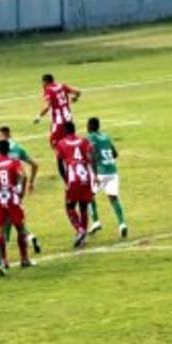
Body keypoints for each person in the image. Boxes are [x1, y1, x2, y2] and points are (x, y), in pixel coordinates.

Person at [0, 125, 42, 254]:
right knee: (13, 217)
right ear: (10, 134)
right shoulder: (18, 148)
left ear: (0, 136)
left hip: (2, 188)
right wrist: (30, 183)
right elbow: (34, 165)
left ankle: (23, 239)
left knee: (4, 220)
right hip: (16, 188)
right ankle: (24, 240)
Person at [0, 139, 33, 274]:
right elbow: (23, 175)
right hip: (12, 197)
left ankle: (4, 260)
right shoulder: (14, 162)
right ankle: (24, 259)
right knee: (20, 228)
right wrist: (20, 190)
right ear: (8, 150)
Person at [55, 120, 97, 248]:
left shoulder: (61, 143)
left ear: (64, 131)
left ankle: (80, 230)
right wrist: (95, 175)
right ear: (74, 130)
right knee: (83, 206)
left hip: (73, 178)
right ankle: (83, 237)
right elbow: (91, 157)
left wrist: (65, 180)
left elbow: (60, 165)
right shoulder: (84, 141)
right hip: (85, 176)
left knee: (70, 207)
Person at [86, 117, 128, 238]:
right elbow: (115, 154)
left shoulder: (91, 137)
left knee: (89, 196)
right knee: (114, 198)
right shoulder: (106, 136)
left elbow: (92, 156)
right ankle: (122, 224)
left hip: (101, 172)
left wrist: (94, 174)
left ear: (90, 126)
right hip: (113, 171)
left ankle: (95, 222)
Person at [33, 73, 81, 155]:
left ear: (46, 81)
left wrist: (39, 117)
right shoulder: (62, 86)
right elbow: (78, 92)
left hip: (58, 121)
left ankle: (64, 160)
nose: (42, 85)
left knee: (54, 143)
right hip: (68, 118)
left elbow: (47, 107)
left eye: (42, 82)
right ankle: (71, 155)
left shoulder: (48, 90)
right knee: (69, 140)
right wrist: (75, 98)